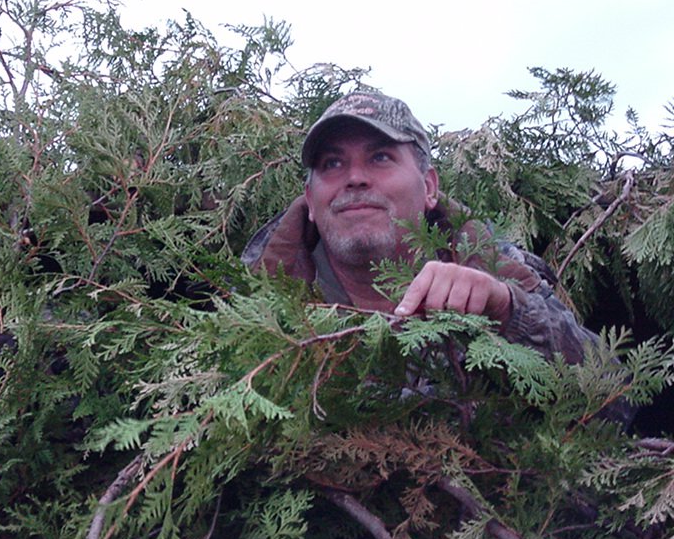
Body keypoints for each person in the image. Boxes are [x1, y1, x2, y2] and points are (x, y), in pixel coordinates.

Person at [242, 90, 599, 365]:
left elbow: (613, 393)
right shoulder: (249, 300)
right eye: (332, 163)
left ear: (429, 187)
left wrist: (507, 311)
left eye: (380, 157)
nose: (354, 178)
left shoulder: (496, 269)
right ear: (309, 199)